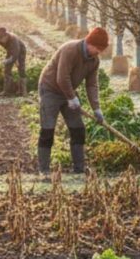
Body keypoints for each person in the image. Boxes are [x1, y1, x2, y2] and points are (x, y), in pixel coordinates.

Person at [36, 27, 108, 173]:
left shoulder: (94, 61)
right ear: (90, 42)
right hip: (50, 90)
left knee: (78, 130)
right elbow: (62, 78)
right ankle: (43, 170)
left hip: (68, 92)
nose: (99, 52)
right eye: (97, 48)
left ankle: (79, 168)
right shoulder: (70, 50)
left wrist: (96, 108)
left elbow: (92, 84)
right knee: (48, 130)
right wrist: (72, 98)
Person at [0, 26, 28, 96]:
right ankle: (7, 91)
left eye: (2, 39)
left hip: (20, 51)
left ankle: (23, 91)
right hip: (10, 51)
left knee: (21, 68)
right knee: (7, 69)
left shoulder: (14, 40)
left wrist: (5, 61)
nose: (0, 41)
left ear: (6, 36)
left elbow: (14, 56)